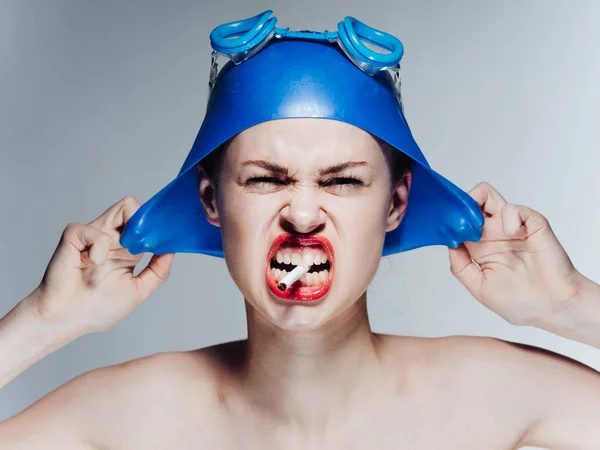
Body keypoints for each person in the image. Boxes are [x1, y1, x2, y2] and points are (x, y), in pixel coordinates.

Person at [1, 11, 600, 450]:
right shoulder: (126, 420)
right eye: (266, 180)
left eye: (341, 182)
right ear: (212, 201)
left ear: (395, 205)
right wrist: (41, 322)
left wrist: (571, 306)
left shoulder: (501, 402)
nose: (304, 214)